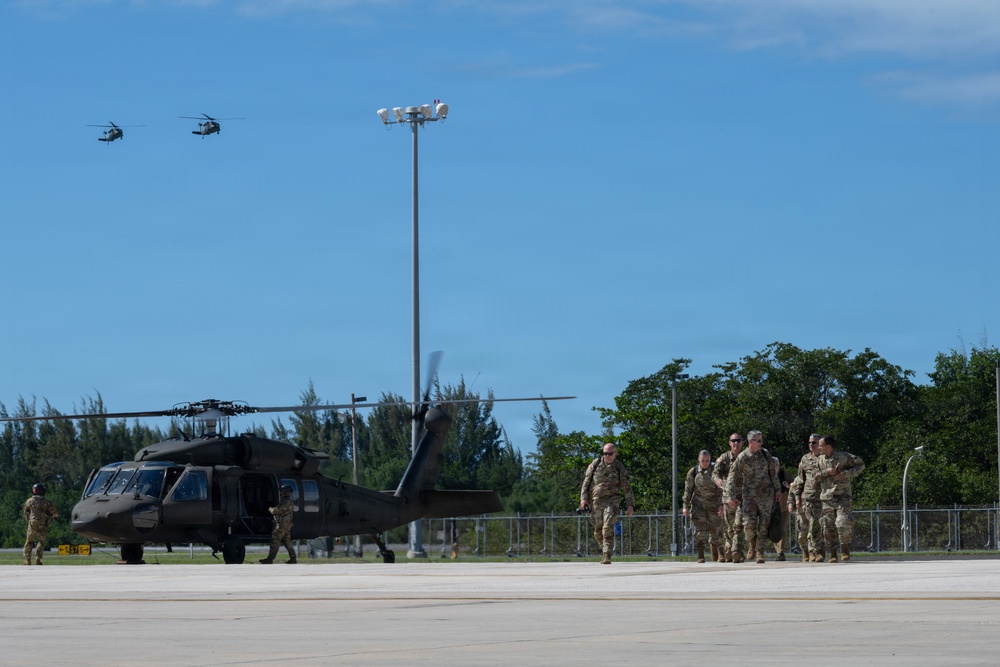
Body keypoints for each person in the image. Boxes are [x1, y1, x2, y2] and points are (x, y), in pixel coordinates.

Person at [725, 430, 781, 564]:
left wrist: (777, 489)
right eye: (759, 440)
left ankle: (759, 552)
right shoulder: (742, 457)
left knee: (763, 525)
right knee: (749, 525)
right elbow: (732, 477)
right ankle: (752, 543)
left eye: (761, 440)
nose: (762, 443)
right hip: (749, 496)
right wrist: (730, 495)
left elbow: (772, 473)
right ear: (751, 442)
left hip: (765, 495)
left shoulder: (765, 454)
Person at [580, 442, 635, 565]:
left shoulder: (619, 468)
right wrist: (583, 499)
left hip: (612, 501)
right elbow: (586, 482)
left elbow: (626, 488)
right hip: (596, 502)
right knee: (598, 531)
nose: (607, 456)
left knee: (607, 527)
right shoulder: (595, 465)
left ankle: (607, 555)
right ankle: (605, 549)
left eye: (610, 453)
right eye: (605, 453)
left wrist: (630, 505)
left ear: (615, 454)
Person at [817, 435, 864, 563]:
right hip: (827, 497)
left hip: (843, 496)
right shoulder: (819, 460)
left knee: (843, 522)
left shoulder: (844, 456)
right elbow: (814, 476)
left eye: (820, 445)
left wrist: (845, 474)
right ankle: (832, 553)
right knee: (827, 527)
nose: (818, 447)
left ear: (828, 446)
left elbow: (860, 465)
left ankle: (845, 547)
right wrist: (827, 472)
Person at [683, 450, 724, 563]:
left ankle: (720, 552)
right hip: (699, 505)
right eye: (703, 460)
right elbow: (688, 489)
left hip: (714, 505)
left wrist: (721, 505)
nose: (705, 463)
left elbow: (722, 490)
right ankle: (700, 554)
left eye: (707, 460)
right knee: (700, 530)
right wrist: (685, 506)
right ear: (698, 460)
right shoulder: (694, 472)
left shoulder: (716, 471)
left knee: (716, 529)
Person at [712, 433, 745, 562]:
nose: (736, 443)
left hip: (742, 496)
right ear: (729, 443)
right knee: (729, 526)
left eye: (738, 441)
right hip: (728, 497)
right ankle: (729, 549)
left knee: (739, 524)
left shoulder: (746, 457)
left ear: (742, 443)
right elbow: (715, 473)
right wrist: (718, 480)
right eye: (733, 441)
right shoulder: (724, 458)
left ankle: (736, 550)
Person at [793, 434, 825, 561]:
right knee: (811, 525)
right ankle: (811, 551)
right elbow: (800, 479)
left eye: (814, 442)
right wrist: (797, 497)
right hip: (809, 498)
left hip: (824, 497)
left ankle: (821, 550)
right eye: (810, 443)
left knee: (822, 526)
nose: (811, 445)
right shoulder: (805, 459)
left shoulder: (825, 459)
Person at [23, 483, 59, 566]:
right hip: (43, 523)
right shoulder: (46, 502)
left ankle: (27, 560)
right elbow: (54, 512)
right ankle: (38, 559)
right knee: (41, 541)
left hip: (32, 523)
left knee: (29, 541)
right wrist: (55, 516)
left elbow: (26, 511)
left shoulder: (29, 501)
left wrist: (28, 520)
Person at [260, 485, 297, 564]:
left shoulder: (286, 502)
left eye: (282, 491)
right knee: (287, 542)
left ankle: (270, 559)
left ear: (285, 492)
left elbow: (276, 511)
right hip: (286, 526)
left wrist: (270, 509)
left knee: (275, 541)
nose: (281, 493)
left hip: (281, 526)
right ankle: (293, 558)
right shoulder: (288, 501)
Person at [771, 456, 790, 561]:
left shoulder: (785, 475)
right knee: (774, 529)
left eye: (776, 464)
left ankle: (780, 551)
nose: (775, 466)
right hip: (771, 507)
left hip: (783, 506)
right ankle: (778, 549)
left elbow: (795, 485)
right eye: (773, 464)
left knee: (782, 528)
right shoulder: (767, 475)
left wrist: (789, 486)